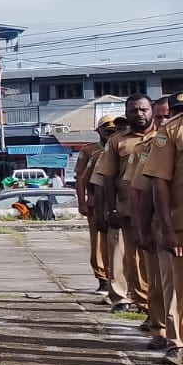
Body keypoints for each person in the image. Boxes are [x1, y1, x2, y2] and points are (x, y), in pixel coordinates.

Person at [91, 94, 155, 314]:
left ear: (152, 110)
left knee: (151, 262)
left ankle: (151, 307)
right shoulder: (117, 141)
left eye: (143, 109)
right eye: (134, 110)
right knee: (125, 256)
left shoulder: (163, 137)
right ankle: (124, 298)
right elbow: (106, 177)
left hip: (157, 210)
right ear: (127, 113)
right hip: (126, 208)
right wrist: (111, 209)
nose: (139, 114)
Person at [133, 94, 180, 357]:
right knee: (168, 286)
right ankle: (168, 336)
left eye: (166, 116)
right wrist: (144, 230)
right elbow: (141, 191)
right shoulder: (153, 145)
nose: (163, 120)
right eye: (160, 116)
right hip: (168, 225)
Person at [76, 118, 120, 296]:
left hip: (119, 202)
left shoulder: (121, 147)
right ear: (98, 130)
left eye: (113, 129)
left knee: (119, 244)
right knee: (99, 243)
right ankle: (102, 278)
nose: (110, 131)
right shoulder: (91, 151)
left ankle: (118, 279)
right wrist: (83, 201)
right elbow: (81, 178)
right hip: (97, 202)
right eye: (106, 128)